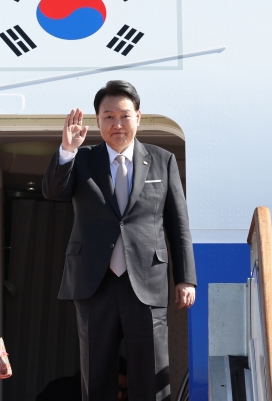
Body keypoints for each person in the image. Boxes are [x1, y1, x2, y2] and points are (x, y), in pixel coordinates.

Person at [42, 80, 197, 401]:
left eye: (124, 116)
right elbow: (53, 192)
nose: (117, 124)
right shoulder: (81, 159)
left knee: (152, 376)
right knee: (96, 375)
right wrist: (67, 150)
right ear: (97, 121)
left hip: (147, 281)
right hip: (93, 282)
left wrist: (185, 279)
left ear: (138, 117)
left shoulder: (162, 160)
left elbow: (178, 224)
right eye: (108, 117)